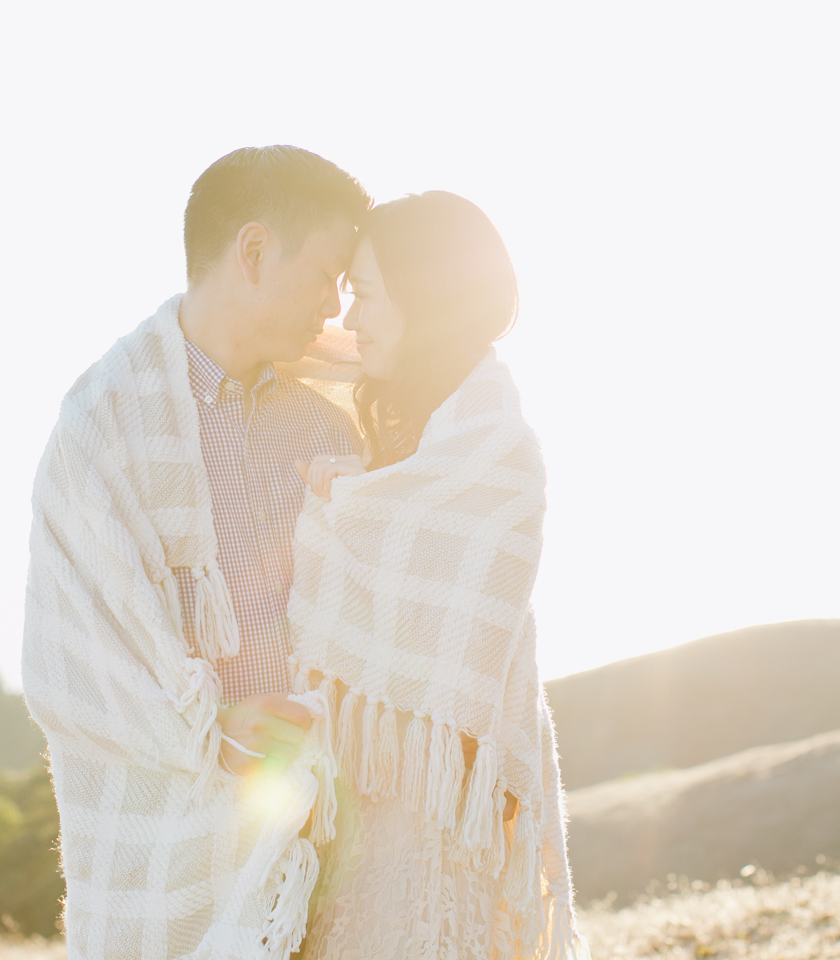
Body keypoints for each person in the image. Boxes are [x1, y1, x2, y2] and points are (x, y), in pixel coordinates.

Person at [23, 145, 372, 959]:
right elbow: (71, 665)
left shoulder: (329, 421)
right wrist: (210, 727)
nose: (334, 309)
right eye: (326, 275)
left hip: (335, 831)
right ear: (253, 252)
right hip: (188, 850)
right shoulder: (101, 427)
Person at [285, 192, 589, 959]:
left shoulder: (495, 448)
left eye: (368, 295)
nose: (351, 319)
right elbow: (284, 351)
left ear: (425, 301)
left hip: (444, 806)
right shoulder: (410, 431)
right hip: (368, 803)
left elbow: (413, 552)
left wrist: (340, 500)